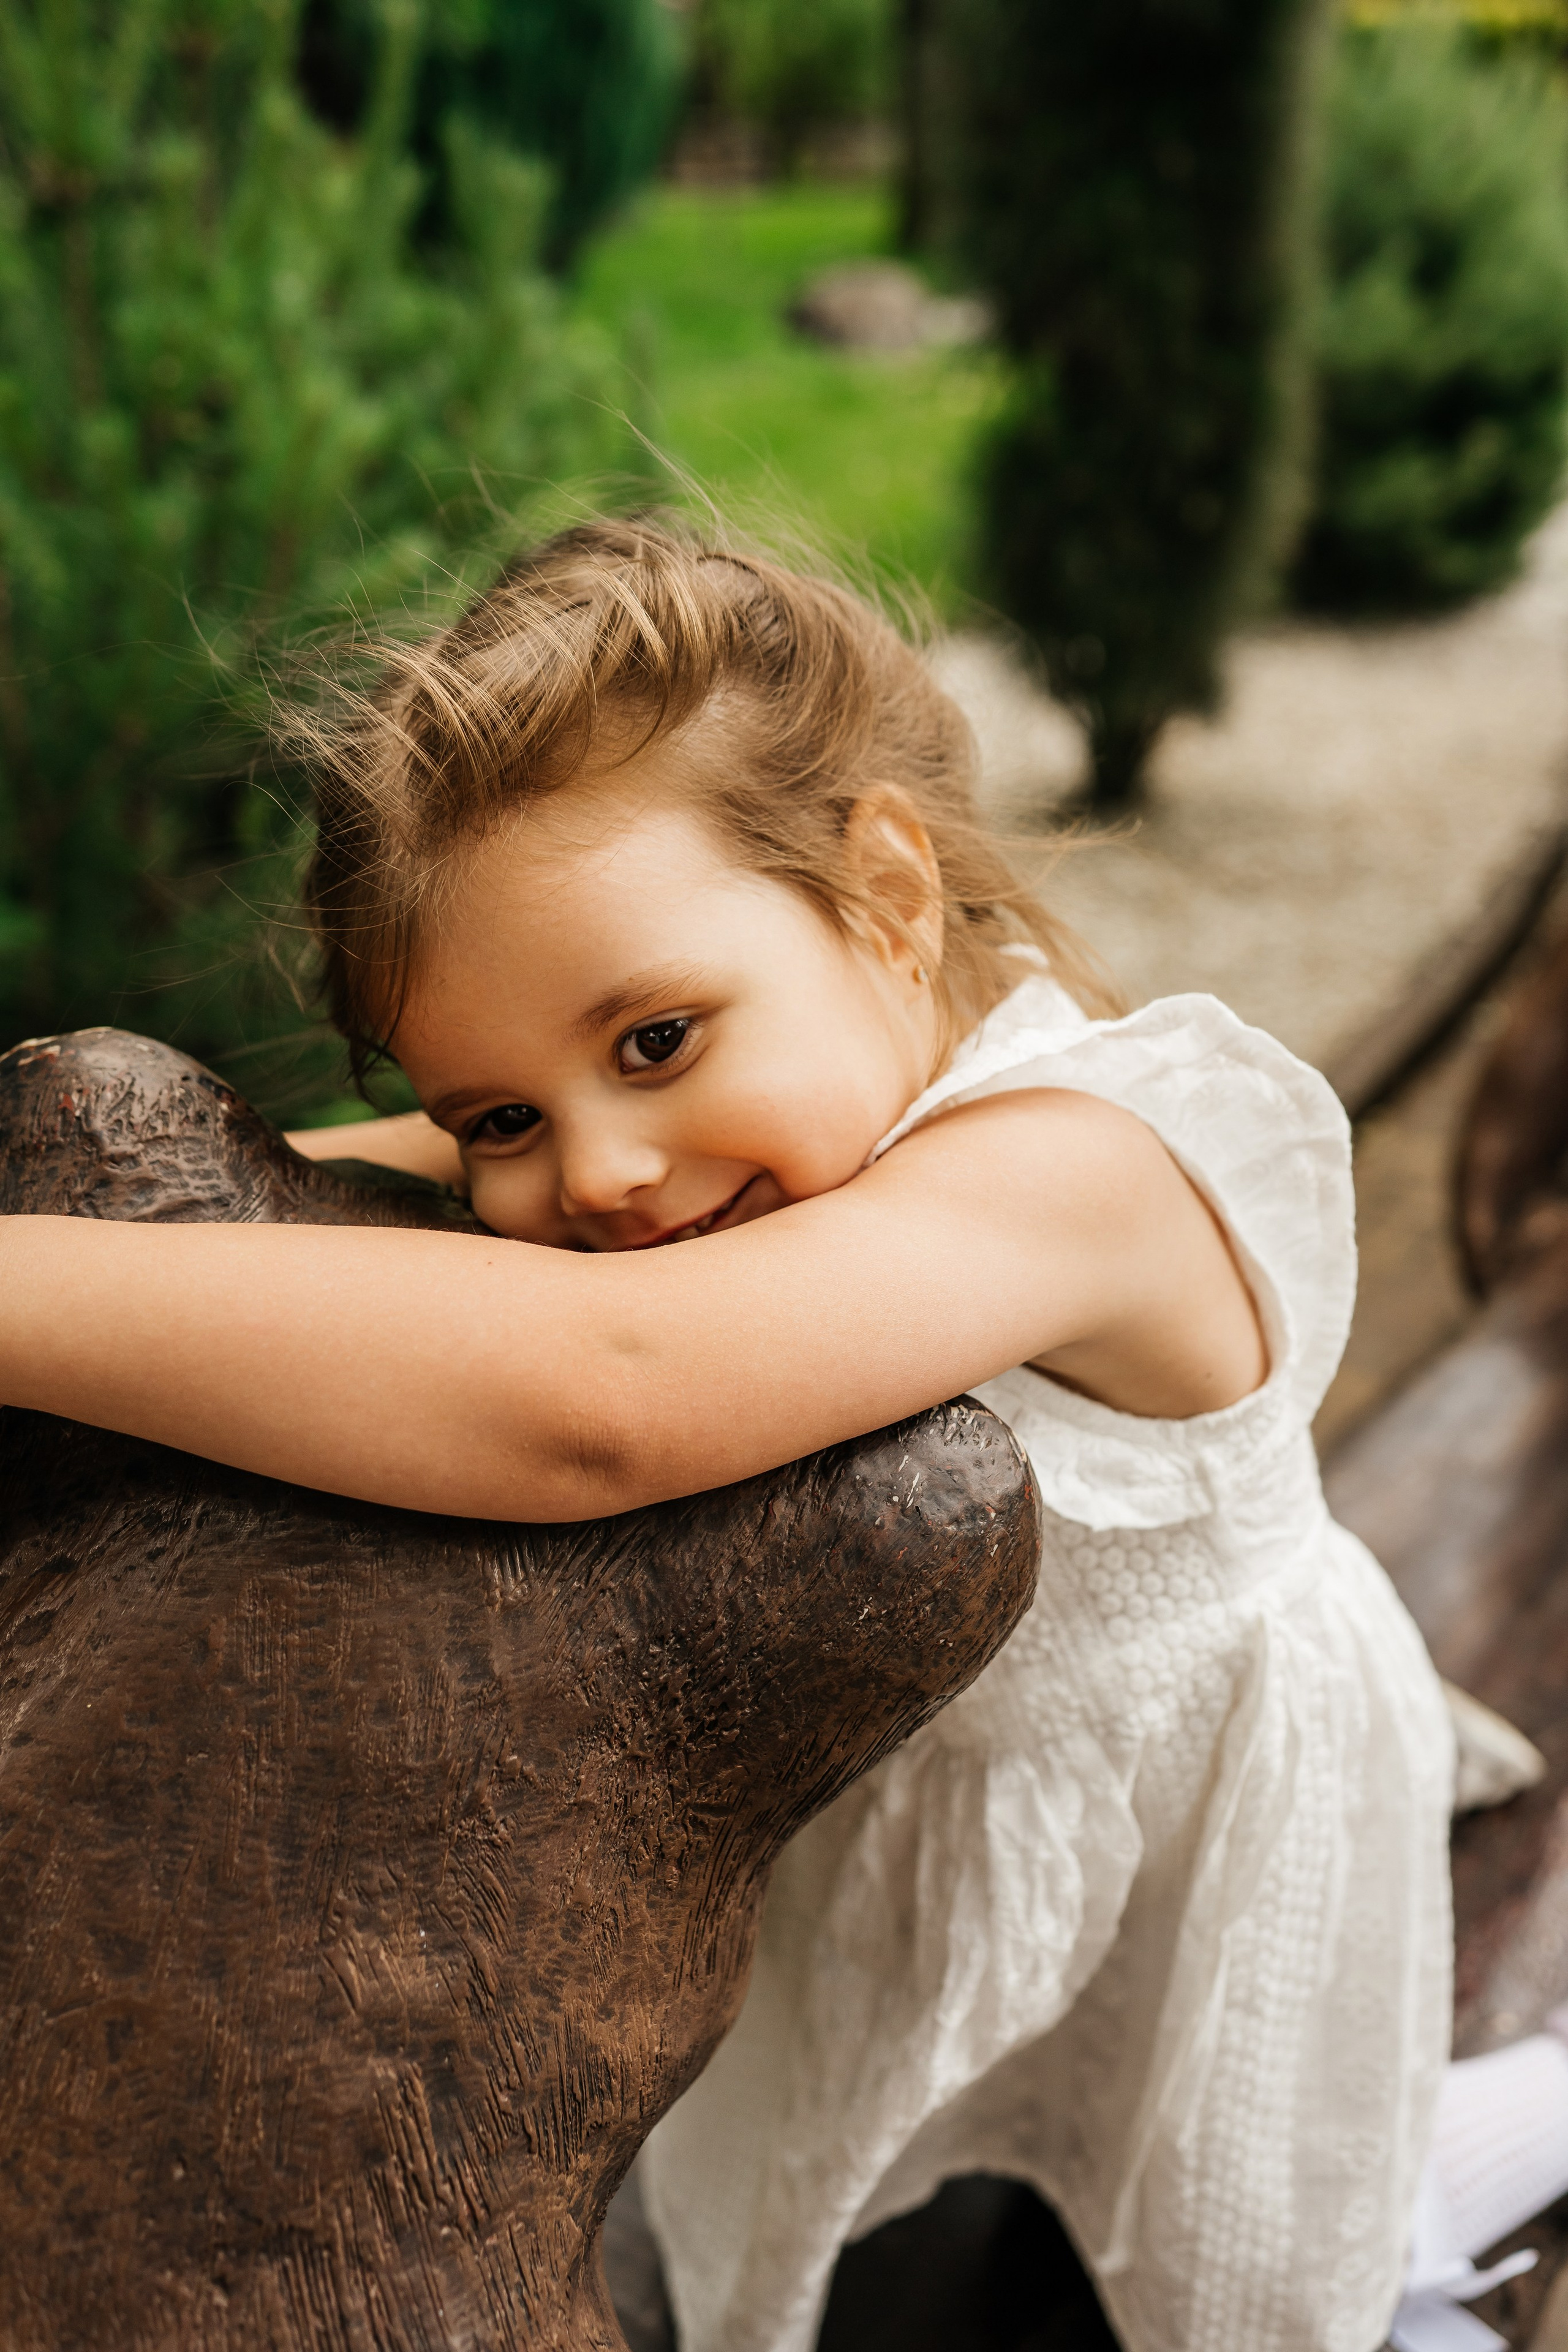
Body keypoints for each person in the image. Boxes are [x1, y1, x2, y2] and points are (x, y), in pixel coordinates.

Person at [2, 518, 1566, 2352]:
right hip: (913, 1834)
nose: (594, 1172)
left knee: (1235, 2275)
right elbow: (342, 1189)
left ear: (889, 891)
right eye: (504, 1111)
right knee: (848, 2241)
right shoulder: (714, 1135)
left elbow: (608, 1399)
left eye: (656, 1040)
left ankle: (1478, 2145)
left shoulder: (1088, 1168)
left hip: (1184, 1843)